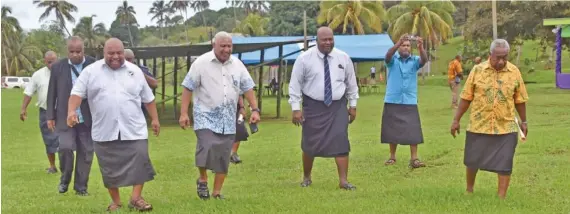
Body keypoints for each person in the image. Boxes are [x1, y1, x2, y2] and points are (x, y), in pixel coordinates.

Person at [68, 38, 160, 211]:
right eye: (111, 53)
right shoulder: (91, 72)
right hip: (104, 130)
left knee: (140, 160)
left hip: (134, 128)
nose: (116, 56)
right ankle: (116, 201)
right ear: (104, 53)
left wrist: (155, 119)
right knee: (109, 168)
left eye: (119, 53)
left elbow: (148, 98)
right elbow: (76, 94)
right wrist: (72, 111)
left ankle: (136, 198)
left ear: (123, 52)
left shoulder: (135, 71)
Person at [179, 31, 260, 200]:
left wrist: (254, 109)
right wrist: (184, 113)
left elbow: (247, 87)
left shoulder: (237, 65)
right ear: (213, 45)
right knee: (206, 146)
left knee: (224, 154)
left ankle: (216, 192)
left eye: (229, 46)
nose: (226, 49)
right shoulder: (201, 63)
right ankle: (202, 179)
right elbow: (188, 87)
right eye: (222, 46)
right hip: (205, 114)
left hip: (228, 117)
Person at [450, 39, 528, 199]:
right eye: (497, 57)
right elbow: (466, 97)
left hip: (506, 126)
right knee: (472, 160)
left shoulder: (514, 72)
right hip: (479, 125)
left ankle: (501, 198)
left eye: (504, 57)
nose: (501, 61)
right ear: (489, 55)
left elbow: (519, 99)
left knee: (505, 162)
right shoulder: (477, 70)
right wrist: (456, 120)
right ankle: (469, 190)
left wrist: (524, 121)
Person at [288, 26, 359, 190]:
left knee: (341, 140)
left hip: (337, 106)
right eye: (324, 40)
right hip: (313, 106)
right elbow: (294, 85)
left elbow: (352, 84)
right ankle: (306, 177)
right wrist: (296, 109)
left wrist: (353, 106)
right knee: (309, 143)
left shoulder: (343, 57)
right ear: (317, 40)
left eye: (330, 39)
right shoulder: (304, 59)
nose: (328, 42)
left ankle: (343, 181)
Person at [46, 36, 96, 196]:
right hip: (64, 117)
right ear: (67, 51)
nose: (75, 55)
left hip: (88, 117)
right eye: (71, 51)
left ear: (84, 50)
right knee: (66, 148)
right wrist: (50, 116)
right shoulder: (58, 67)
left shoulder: (93, 65)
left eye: (78, 51)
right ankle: (64, 179)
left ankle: (81, 188)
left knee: (86, 152)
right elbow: (51, 93)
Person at [380, 33, 428, 169]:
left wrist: (421, 47)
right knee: (391, 130)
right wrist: (397, 43)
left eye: (407, 45)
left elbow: (424, 60)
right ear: (399, 47)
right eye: (403, 45)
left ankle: (414, 159)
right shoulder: (392, 61)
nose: (406, 48)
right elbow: (387, 56)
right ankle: (392, 157)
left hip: (409, 100)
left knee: (413, 130)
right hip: (393, 99)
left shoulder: (414, 61)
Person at [20, 51, 59, 174]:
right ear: (44, 61)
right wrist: (23, 109)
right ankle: (52, 166)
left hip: (62, 111)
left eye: (54, 61)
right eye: (49, 62)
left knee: (65, 140)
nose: (52, 64)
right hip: (46, 112)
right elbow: (29, 92)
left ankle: (66, 166)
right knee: (48, 139)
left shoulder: (64, 72)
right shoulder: (38, 75)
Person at [124, 49, 158, 118]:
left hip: (140, 106)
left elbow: (154, 84)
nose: (128, 62)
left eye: (130, 59)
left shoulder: (141, 69)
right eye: (126, 59)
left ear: (134, 58)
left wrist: (140, 73)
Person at [230, 95, 249, 164]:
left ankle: (233, 154)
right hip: (221, 108)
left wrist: (242, 107)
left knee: (240, 129)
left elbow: (240, 93)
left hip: (238, 108)